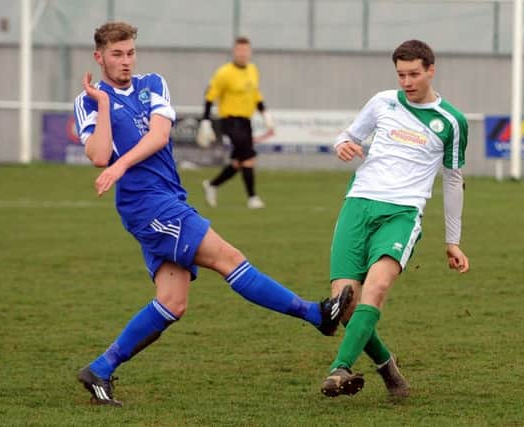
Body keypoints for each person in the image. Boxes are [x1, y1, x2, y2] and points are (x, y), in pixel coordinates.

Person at [73, 22, 351, 407]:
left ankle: (100, 370)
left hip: (168, 197)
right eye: (117, 54)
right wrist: (103, 105)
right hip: (147, 205)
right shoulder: (88, 100)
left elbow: (157, 137)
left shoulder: (151, 83)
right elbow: (100, 155)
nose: (126, 61)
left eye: (130, 52)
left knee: (172, 303)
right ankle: (316, 315)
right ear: (98, 56)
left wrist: (120, 167)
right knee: (230, 259)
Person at [319, 39, 470, 399]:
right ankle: (388, 367)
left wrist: (453, 239)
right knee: (344, 303)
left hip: (402, 213)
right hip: (358, 204)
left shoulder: (452, 121)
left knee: (377, 288)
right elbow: (348, 135)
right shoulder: (382, 101)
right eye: (401, 74)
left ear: (431, 70)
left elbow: (453, 179)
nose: (407, 81)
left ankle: (339, 369)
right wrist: (342, 144)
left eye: (414, 74)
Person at [197, 36, 274, 209]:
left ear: (250, 52)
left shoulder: (253, 70)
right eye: (239, 50)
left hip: (246, 121)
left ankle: (212, 185)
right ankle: (252, 198)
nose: (242, 54)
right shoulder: (224, 72)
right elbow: (210, 96)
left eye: (245, 50)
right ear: (234, 51)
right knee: (248, 157)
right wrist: (205, 121)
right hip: (230, 121)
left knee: (239, 162)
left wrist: (265, 114)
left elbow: (256, 95)